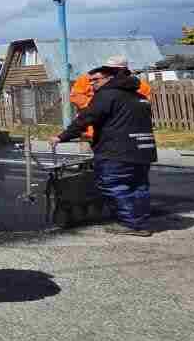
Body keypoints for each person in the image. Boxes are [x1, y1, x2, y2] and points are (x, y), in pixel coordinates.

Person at [52, 57, 157, 236]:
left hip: (117, 150)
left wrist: (62, 136)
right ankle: (140, 222)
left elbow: (87, 118)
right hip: (143, 149)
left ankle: (131, 224)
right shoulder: (139, 96)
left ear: (110, 78)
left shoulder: (107, 95)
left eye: (95, 81)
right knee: (138, 186)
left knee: (114, 185)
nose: (91, 85)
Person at [70, 58, 151, 142]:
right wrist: (94, 105)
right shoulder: (89, 78)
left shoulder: (140, 86)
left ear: (125, 70)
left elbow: (143, 105)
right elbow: (75, 95)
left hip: (122, 131)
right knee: (89, 153)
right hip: (90, 129)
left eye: (117, 70)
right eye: (111, 69)